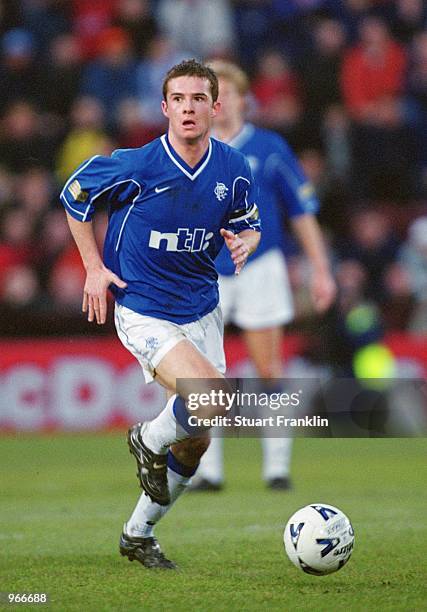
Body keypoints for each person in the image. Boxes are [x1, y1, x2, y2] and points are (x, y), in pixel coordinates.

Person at [60, 59, 261, 569]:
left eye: (199, 99)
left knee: (197, 439)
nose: (189, 108)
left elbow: (248, 221)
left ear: (215, 107)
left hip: (202, 309)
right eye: (179, 99)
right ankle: (146, 437)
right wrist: (92, 268)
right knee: (214, 396)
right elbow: (75, 194)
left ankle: (137, 533)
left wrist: (245, 244)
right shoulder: (138, 164)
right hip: (144, 307)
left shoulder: (234, 167)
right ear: (165, 107)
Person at [192, 60, 336, 492]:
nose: (219, 103)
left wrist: (321, 270)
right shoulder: (190, 147)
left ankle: (276, 468)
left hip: (261, 265)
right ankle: (208, 471)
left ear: (242, 99)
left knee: (269, 368)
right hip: (206, 269)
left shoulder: (269, 146)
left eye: (226, 94)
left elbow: (302, 212)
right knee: (203, 372)